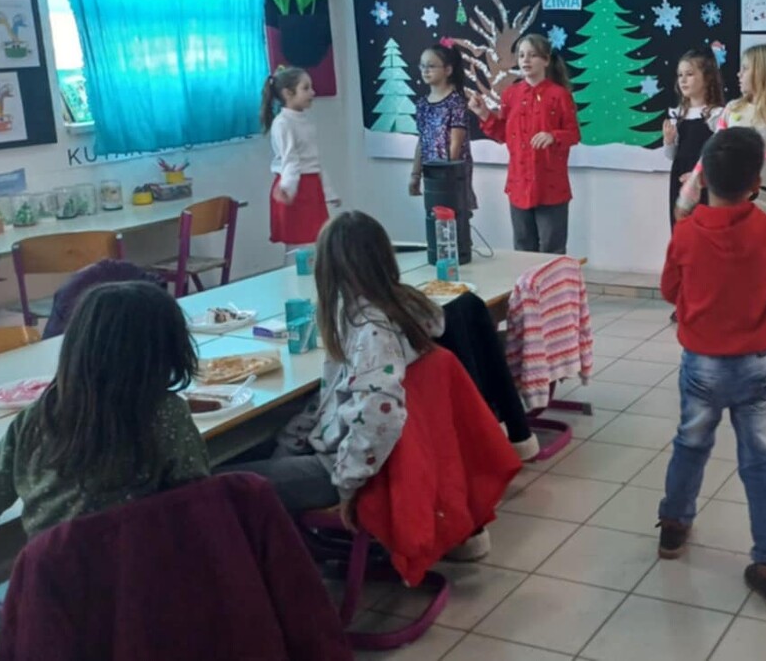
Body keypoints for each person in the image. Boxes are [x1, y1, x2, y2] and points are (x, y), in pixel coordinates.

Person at [225, 212, 485, 551]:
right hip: (349, 456)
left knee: (216, 487)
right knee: (252, 455)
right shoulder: (400, 307)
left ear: (330, 270)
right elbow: (331, 400)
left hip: (339, 468)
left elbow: (379, 413)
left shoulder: (370, 329)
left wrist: (348, 486)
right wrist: (285, 450)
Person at [657, 126, 766, 614]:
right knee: (759, 463)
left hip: (702, 364)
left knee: (690, 444)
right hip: (758, 365)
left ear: (702, 180)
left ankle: (673, 527)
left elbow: (669, 290)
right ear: (756, 183)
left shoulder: (685, 233)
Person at [0, 282, 209, 541]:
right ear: (169, 350)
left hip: (55, 565)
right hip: (143, 564)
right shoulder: (166, 413)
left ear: (73, 347)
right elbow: (201, 505)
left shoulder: (37, 418)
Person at [675, 43, 766, 381]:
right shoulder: (732, 111)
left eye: (746, 68)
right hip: (732, 215)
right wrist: (688, 195)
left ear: (764, 71)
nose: (738, 74)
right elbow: (709, 158)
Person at [468, 34, 580, 254]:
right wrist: (483, 114)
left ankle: (551, 278)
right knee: (522, 248)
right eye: (521, 55)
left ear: (546, 60)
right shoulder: (511, 95)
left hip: (550, 186)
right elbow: (503, 134)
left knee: (551, 248)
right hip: (519, 184)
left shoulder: (559, 95)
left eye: (532, 55)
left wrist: (554, 136)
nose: (526, 60)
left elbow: (574, 134)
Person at [409, 44, 478, 265]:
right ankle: (440, 260)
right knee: (435, 218)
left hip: (452, 173)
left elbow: (456, 142)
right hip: (432, 175)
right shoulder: (422, 104)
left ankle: (461, 257)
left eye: (431, 66)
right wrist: (415, 175)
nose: (425, 71)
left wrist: (448, 176)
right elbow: (422, 141)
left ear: (447, 70)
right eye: (422, 66)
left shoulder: (455, 102)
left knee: (456, 216)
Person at [263, 66, 337, 248]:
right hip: (294, 187)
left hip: (311, 186)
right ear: (288, 93)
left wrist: (328, 192)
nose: (312, 92)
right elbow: (290, 160)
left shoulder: (305, 120)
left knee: (318, 240)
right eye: (306, 88)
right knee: (297, 245)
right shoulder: (283, 123)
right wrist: (288, 188)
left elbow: (314, 161)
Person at [662, 49, 725, 229]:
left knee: (705, 230)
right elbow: (672, 155)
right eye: (680, 75)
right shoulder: (679, 113)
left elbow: (721, 156)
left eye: (689, 74)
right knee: (682, 230)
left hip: (705, 183)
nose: (683, 80)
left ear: (707, 78)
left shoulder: (717, 115)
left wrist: (699, 176)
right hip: (680, 182)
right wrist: (668, 141)